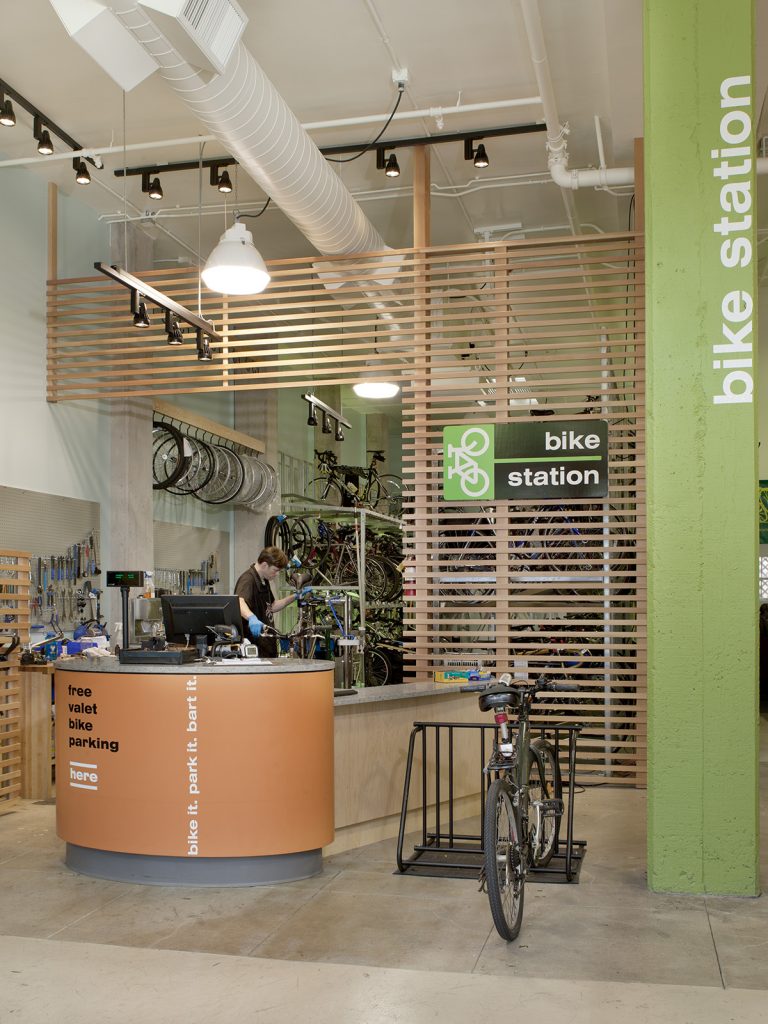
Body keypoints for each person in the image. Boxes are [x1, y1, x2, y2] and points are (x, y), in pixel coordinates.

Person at [234, 546, 308, 658]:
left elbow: (272, 606)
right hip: (254, 648)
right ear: (264, 565)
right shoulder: (248, 579)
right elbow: (239, 602)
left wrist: (296, 596)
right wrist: (251, 618)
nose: (277, 574)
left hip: (267, 645)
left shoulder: (264, 580)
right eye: (275, 570)